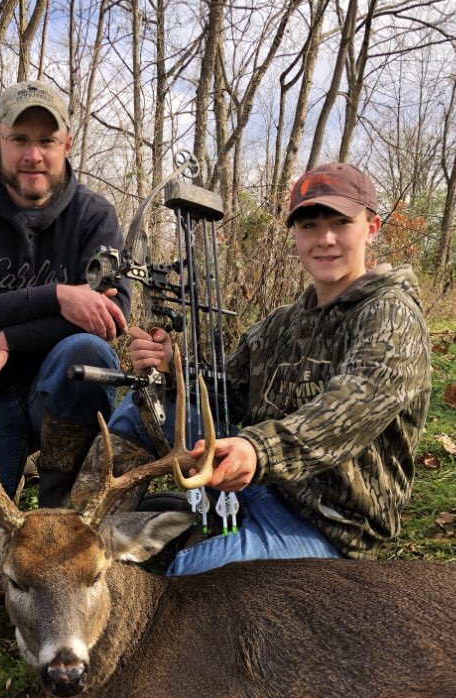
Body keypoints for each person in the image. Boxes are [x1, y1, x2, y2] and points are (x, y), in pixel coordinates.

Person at [107, 161, 432, 575]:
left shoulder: (391, 316)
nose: (325, 239)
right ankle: (82, 541)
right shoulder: (283, 323)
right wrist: (175, 368)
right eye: (310, 225)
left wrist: (257, 451)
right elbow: (228, 388)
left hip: (329, 527)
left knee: (189, 578)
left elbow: (346, 412)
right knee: (140, 409)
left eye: (341, 223)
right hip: (261, 485)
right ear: (296, 233)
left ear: (371, 227)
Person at [0, 81, 131, 537]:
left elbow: (110, 320)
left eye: (46, 141)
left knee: (87, 352)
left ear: (67, 144)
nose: (33, 155)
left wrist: (7, 338)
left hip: (61, 391)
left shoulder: (94, 215)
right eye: (20, 140)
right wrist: (57, 296)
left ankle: (60, 494)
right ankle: (5, 471)